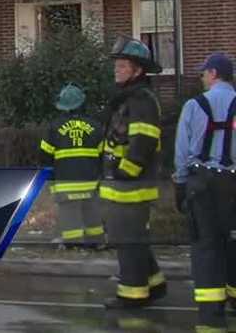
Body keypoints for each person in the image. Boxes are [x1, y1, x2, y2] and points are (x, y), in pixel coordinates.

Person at [100, 35, 166, 310]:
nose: (117, 69)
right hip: (122, 185)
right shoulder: (128, 98)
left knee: (128, 241)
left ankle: (132, 295)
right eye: (117, 65)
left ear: (138, 70)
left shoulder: (141, 100)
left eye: (123, 65)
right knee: (131, 238)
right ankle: (154, 282)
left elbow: (144, 141)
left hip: (131, 186)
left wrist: (125, 173)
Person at [173, 52, 236, 330]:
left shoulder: (194, 105)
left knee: (207, 247)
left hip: (202, 185)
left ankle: (211, 318)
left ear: (213, 73)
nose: (201, 77)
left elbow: (182, 151)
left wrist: (180, 184)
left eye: (203, 73)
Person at [38, 83, 104, 249]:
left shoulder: (54, 127)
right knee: (92, 214)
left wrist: (50, 180)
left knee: (69, 215)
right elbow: (103, 156)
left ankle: (73, 244)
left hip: (65, 183)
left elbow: (45, 156)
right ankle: (97, 243)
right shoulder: (96, 126)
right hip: (90, 182)